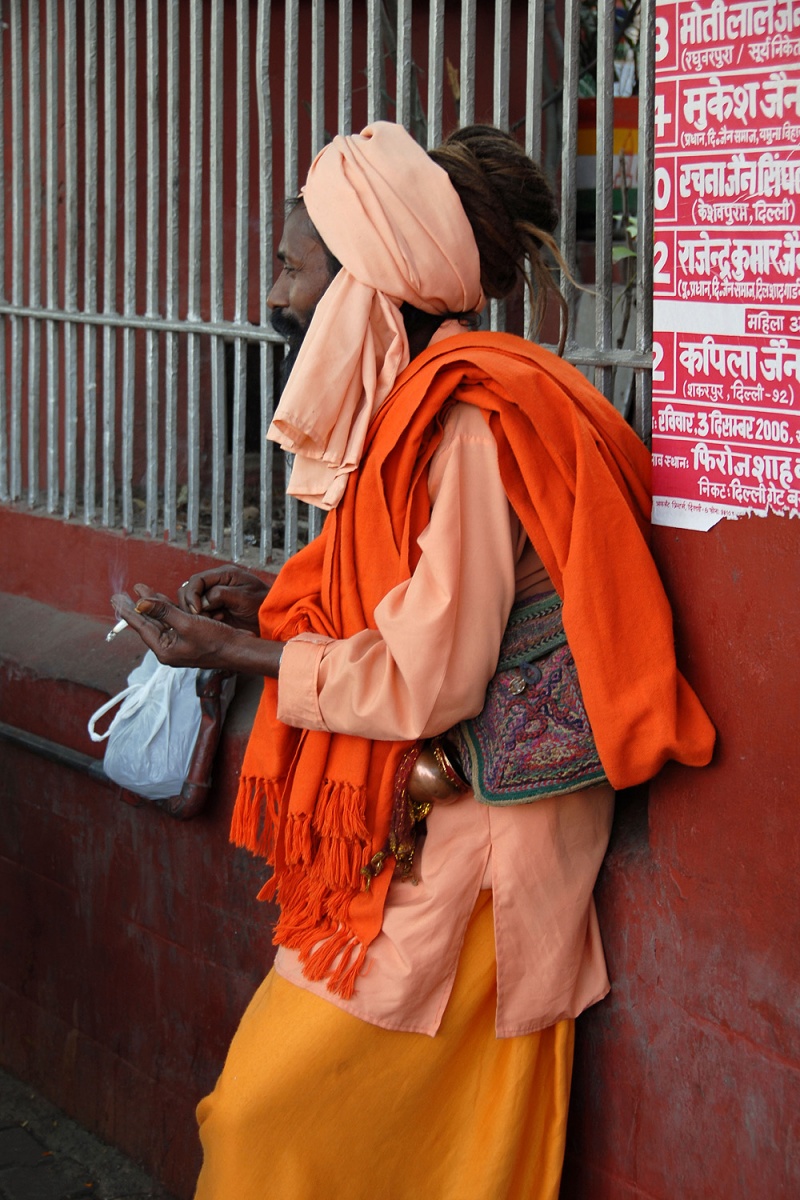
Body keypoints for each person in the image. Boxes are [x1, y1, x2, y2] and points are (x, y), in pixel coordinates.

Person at [113, 122, 714, 1200]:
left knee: (260, 1120)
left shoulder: (470, 423)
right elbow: (409, 605)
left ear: (365, 287)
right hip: (421, 819)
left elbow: (430, 676)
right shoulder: (418, 410)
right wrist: (277, 608)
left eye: (295, 268)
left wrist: (245, 652)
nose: (280, 296)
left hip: (476, 841)